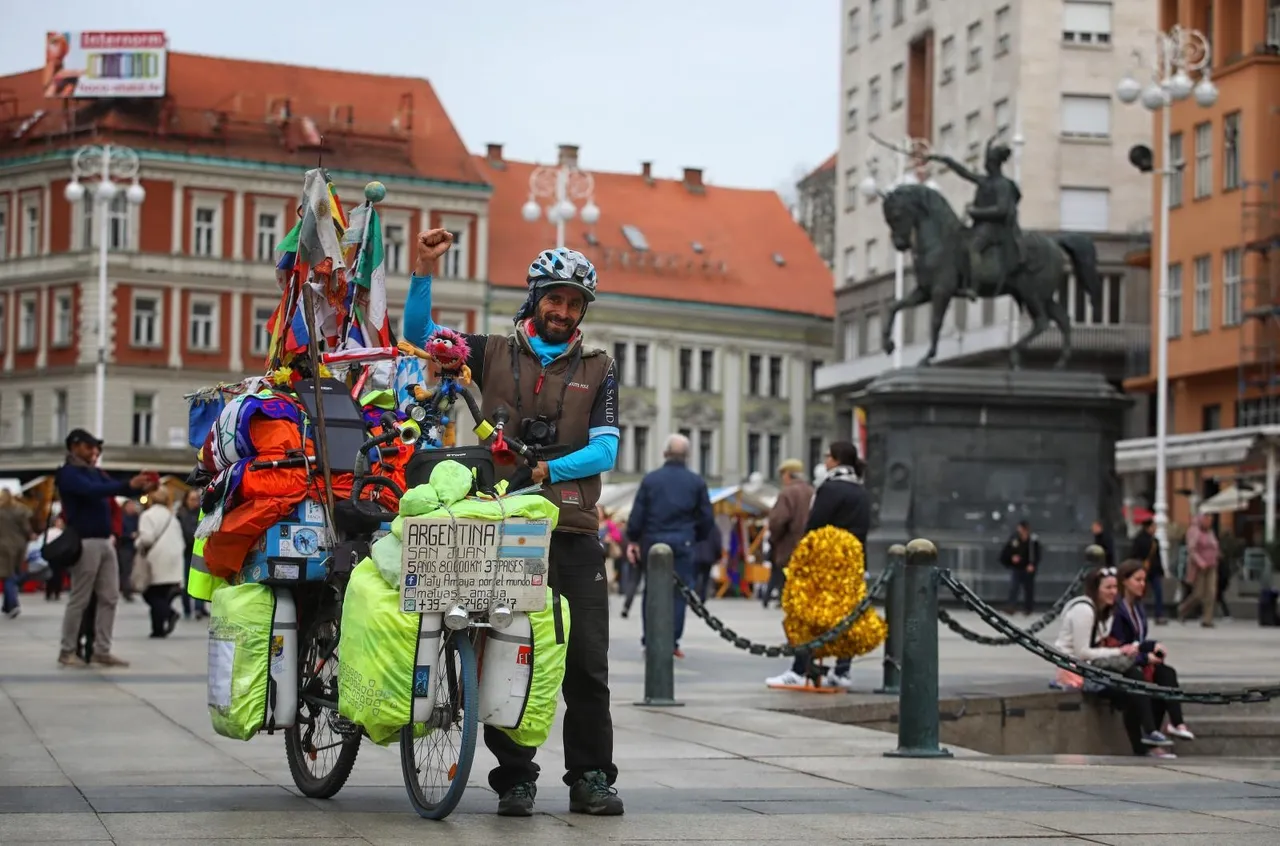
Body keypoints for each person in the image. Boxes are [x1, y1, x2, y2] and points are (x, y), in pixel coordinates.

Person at [403, 230, 624, 817]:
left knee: (585, 663)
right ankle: (515, 779)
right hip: (499, 528)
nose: (563, 311)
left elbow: (605, 451)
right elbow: (422, 336)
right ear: (535, 298)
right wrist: (424, 268)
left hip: (571, 530)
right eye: (554, 299)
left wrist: (547, 467)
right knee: (503, 651)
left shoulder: (599, 367)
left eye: (575, 303)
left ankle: (592, 777)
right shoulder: (492, 352)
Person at [765, 441, 870, 691]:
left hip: (824, 560)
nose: (824, 461)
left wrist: (805, 555)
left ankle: (800, 669)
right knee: (846, 616)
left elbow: (815, 525)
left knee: (807, 614)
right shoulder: (860, 490)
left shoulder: (830, 488)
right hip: (851, 560)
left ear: (834, 460)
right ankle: (842, 670)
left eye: (827, 456)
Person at [55, 429, 156, 668]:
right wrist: (127, 484)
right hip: (85, 541)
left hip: (104, 540)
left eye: (96, 448)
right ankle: (67, 650)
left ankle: (102, 649)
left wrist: (136, 487)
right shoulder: (69, 474)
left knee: (110, 596)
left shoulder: (94, 472)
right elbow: (94, 490)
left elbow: (113, 487)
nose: (94, 452)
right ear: (75, 446)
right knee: (80, 598)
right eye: (90, 447)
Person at [1053, 566, 1176, 756]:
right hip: (1074, 672)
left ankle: (1148, 739)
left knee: (1141, 684)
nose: (1113, 592)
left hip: (1093, 669)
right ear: (1096, 589)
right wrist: (1118, 651)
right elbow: (1082, 652)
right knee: (1133, 680)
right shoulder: (1084, 611)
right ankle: (1148, 737)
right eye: (1107, 588)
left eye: (1114, 587)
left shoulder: (1107, 613)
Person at [624, 433, 716, 659]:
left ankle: (650, 640)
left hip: (653, 542)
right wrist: (695, 536)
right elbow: (706, 519)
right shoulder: (696, 482)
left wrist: (633, 539)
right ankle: (672, 642)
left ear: (665, 453)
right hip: (684, 542)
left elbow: (637, 515)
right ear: (687, 456)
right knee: (679, 593)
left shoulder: (651, 480)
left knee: (652, 592)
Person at [1110, 559, 1195, 748]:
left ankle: (1177, 723)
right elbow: (1119, 646)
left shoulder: (1138, 607)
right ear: (1124, 581)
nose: (1142, 584)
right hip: (1120, 665)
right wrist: (1143, 657)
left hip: (1135, 660)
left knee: (1167, 673)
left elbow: (1137, 641)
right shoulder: (1117, 610)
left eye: (1143, 580)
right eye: (1137, 579)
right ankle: (1150, 733)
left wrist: (1154, 646)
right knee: (1140, 679)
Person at [928, 138, 1023, 299]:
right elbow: (964, 173)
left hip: (995, 229)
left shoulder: (1002, 185)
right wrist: (943, 159)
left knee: (974, 247)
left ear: (994, 163)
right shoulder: (985, 180)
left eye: (988, 161)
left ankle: (974, 285)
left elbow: (1001, 210)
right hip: (981, 226)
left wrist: (976, 212)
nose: (985, 164)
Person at [136, 487, 186, 638]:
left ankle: (169, 614)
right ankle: (158, 629)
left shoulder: (147, 515)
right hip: (174, 557)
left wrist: (137, 543)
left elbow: (147, 539)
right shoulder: (172, 517)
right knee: (162, 594)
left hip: (156, 558)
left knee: (149, 593)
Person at [764, 459, 813, 609]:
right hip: (810, 546)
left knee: (786, 581)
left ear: (787, 475)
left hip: (788, 546)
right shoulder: (812, 491)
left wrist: (774, 538)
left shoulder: (787, 493)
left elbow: (778, 520)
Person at [1179, 513, 1220, 627]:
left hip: (1212, 566)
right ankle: (1183, 609)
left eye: (1210, 520)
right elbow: (1192, 550)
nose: (1209, 522)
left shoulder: (1211, 532)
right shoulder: (1194, 531)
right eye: (1207, 519)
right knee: (1198, 594)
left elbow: (1215, 546)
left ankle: (1207, 619)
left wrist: (1216, 556)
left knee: (1211, 593)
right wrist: (1200, 562)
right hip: (1199, 567)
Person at [0, 490, 33, 619]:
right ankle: (11, 604)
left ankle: (9, 604)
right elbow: (26, 528)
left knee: (7, 575)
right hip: (18, 545)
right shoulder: (19, 511)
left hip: (2, 546)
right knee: (13, 574)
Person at [177, 489, 208, 620]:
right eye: (192, 499)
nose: (195, 502)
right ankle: (187, 608)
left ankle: (199, 608)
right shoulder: (181, 514)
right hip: (186, 551)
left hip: (199, 551)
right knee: (187, 580)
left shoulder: (202, 513)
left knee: (199, 579)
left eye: (197, 499)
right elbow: (187, 534)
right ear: (186, 500)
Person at [1129, 518, 1166, 624]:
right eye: (1153, 526)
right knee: (1140, 593)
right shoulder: (1139, 539)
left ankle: (1159, 614)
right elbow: (1134, 555)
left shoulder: (1155, 541)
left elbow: (1157, 557)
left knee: (1158, 592)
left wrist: (1160, 570)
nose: (1155, 529)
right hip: (1142, 570)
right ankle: (1138, 613)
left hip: (1153, 571)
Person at [1001, 520, 1040, 617]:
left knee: (1028, 588)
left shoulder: (1032, 541)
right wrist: (1012, 558)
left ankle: (1028, 608)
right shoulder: (1015, 539)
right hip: (1017, 567)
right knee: (1014, 587)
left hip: (1028, 568)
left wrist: (1033, 564)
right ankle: (1011, 606)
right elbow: (1007, 551)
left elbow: (1036, 554)